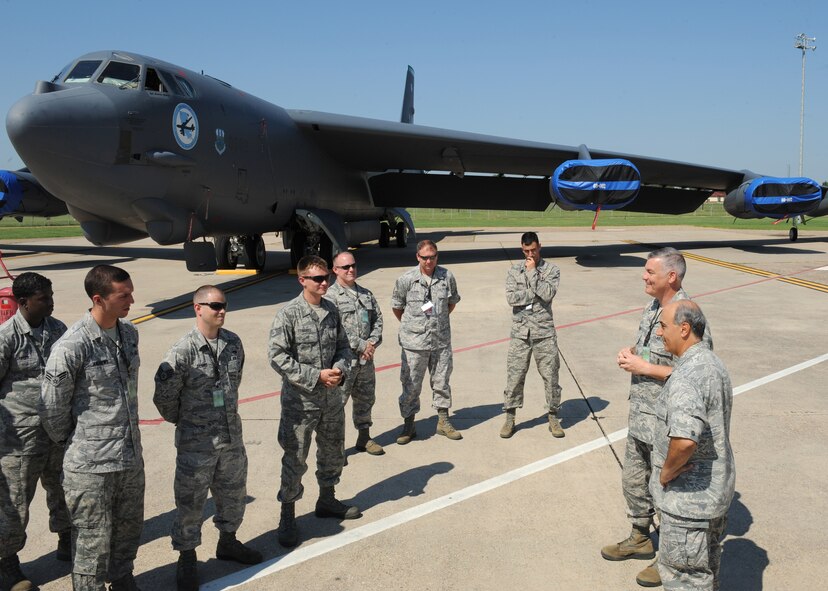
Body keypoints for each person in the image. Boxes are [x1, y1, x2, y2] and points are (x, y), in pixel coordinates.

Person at [601, 247, 712, 588]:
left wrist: (645, 367)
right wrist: (634, 352)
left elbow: (697, 371)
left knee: (666, 492)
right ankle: (639, 537)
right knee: (634, 482)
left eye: (650, 272)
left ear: (672, 277)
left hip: (667, 422)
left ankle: (669, 559)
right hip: (641, 416)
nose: (644, 276)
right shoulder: (654, 307)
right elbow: (652, 349)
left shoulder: (687, 315)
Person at [40, 265, 144, 591]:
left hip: (128, 456)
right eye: (123, 295)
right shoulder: (72, 346)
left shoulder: (129, 334)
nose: (131, 299)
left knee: (128, 530)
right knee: (92, 542)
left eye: (130, 292)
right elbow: (52, 410)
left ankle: (123, 579)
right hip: (91, 465)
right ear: (98, 299)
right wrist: (79, 442)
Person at [153, 286, 262, 591]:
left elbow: (234, 383)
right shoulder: (182, 351)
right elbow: (164, 398)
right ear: (197, 308)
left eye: (224, 305)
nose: (221, 310)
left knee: (233, 495)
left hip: (230, 438)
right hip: (196, 444)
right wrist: (189, 422)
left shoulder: (233, 343)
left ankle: (228, 542)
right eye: (214, 305)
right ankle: (187, 556)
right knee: (190, 503)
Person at [268, 255, 358, 549]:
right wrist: (314, 375)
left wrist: (340, 372)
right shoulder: (289, 314)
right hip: (300, 403)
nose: (324, 283)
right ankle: (288, 514)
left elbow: (344, 346)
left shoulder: (332, 310)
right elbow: (277, 356)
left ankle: (327, 499)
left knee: (333, 451)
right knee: (295, 459)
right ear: (302, 280)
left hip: (332, 398)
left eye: (325, 278)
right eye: (317, 278)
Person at [651, 300, 735, 590]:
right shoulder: (712, 363)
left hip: (688, 502)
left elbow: (685, 440)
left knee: (685, 581)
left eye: (663, 326)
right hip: (713, 496)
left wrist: (665, 472)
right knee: (706, 574)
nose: (660, 333)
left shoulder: (687, 375)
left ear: (684, 329)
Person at [0, 273, 70, 591]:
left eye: (51, 295)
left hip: (56, 429)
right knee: (15, 502)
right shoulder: (7, 337)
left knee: (65, 489)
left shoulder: (58, 330)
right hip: (20, 437)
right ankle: (7, 564)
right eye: (44, 297)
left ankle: (68, 540)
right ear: (24, 302)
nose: (51, 301)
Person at [391, 239, 462, 444]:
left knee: (442, 381)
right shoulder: (406, 280)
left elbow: (451, 303)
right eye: (424, 257)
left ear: (437, 257)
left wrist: (436, 323)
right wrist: (414, 327)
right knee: (411, 385)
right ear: (417, 257)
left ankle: (443, 421)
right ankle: (409, 424)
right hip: (414, 343)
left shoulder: (446, 277)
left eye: (432, 257)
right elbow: (397, 308)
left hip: (440, 341)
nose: (428, 261)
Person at [500, 231, 564, 439]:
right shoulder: (513, 271)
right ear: (521, 249)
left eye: (534, 250)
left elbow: (548, 294)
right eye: (526, 251)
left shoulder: (552, 270)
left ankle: (553, 416)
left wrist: (532, 273)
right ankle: (510, 417)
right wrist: (533, 293)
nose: (530, 254)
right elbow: (511, 298)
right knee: (515, 377)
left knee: (551, 377)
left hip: (544, 333)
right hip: (520, 333)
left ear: (540, 247)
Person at [324, 252, 384, 455]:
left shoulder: (366, 294)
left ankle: (364, 437)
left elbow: (378, 320)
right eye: (345, 267)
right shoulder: (330, 298)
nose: (351, 270)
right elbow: (334, 330)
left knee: (366, 398)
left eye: (353, 265)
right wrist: (361, 345)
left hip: (366, 360)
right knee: (337, 404)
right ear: (335, 270)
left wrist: (372, 343)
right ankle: (336, 448)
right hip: (343, 362)